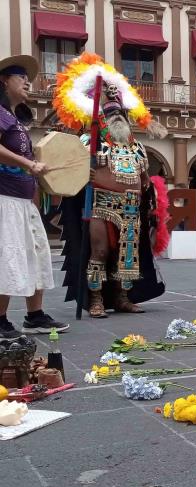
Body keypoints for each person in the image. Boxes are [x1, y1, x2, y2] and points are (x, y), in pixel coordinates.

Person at [55, 53, 167, 318]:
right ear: (101, 119)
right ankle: (95, 299)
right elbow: (73, 171)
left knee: (127, 256)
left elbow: (145, 180)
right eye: (109, 112)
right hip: (101, 204)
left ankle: (122, 297)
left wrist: (150, 203)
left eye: (119, 112)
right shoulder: (89, 142)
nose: (115, 116)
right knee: (100, 252)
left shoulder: (137, 146)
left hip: (130, 207)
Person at [0, 55, 69, 338]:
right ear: (4, 80)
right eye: (20, 76)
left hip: (24, 200)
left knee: (36, 253)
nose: (28, 81)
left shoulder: (16, 119)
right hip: (5, 199)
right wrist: (29, 164)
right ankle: (0, 319)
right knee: (10, 256)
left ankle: (35, 316)